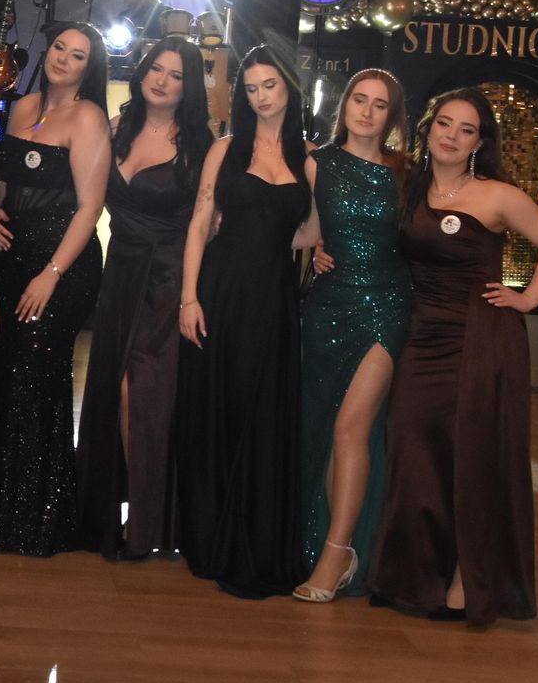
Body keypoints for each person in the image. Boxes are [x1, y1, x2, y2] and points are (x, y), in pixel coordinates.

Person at [370, 86, 538, 626]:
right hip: (421, 334)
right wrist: (324, 249)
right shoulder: (409, 184)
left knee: (472, 457)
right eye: (445, 124)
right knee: (411, 446)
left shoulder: (497, 195)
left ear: (480, 143)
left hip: (480, 339)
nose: (452, 136)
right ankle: (413, 575)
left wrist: (527, 297)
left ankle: (467, 580)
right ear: (429, 128)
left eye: (466, 130)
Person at [0, 21, 111, 556]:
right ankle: (3, 502)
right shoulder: (23, 106)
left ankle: (38, 517)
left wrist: (51, 274)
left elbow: (90, 207)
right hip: (10, 256)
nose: (63, 58)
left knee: (35, 379)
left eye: (78, 55)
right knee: (5, 374)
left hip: (60, 266)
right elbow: (4, 184)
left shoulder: (89, 117)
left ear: (90, 68)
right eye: (60, 48)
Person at [175, 48, 318, 598]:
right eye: (251, 88)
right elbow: (199, 223)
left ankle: (255, 538)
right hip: (221, 289)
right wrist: (189, 298)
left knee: (264, 408)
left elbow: (312, 231)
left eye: (269, 85)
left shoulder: (309, 158)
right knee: (220, 405)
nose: (260, 97)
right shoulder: (226, 148)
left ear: (289, 88)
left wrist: (301, 246)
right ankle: (211, 534)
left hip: (275, 298)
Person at [75, 37, 212, 559]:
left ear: (188, 87)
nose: (162, 80)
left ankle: (148, 520)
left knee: (144, 396)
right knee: (112, 391)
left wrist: (192, 292)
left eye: (176, 75)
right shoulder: (118, 127)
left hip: (168, 278)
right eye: (156, 69)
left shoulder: (199, 144)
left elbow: (210, 221)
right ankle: (112, 512)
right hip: (121, 273)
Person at [292, 69, 412, 599]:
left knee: (350, 428)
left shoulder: (407, 172)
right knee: (323, 428)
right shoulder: (317, 163)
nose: (366, 111)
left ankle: (338, 553)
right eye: (359, 100)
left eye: (379, 104)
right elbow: (306, 230)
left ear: (392, 116)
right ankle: (324, 540)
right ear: (344, 106)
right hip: (328, 308)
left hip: (387, 307)